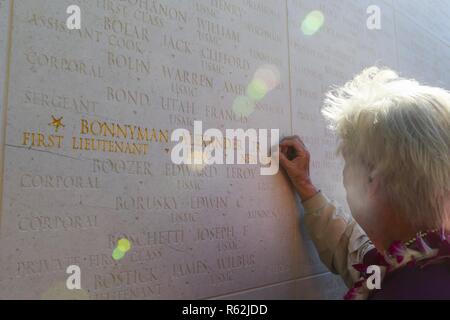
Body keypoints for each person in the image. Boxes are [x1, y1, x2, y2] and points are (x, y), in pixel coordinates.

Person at [279, 67, 450, 299]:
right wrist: (306, 188)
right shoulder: (419, 257)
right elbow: (360, 255)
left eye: (347, 161)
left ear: (372, 181)